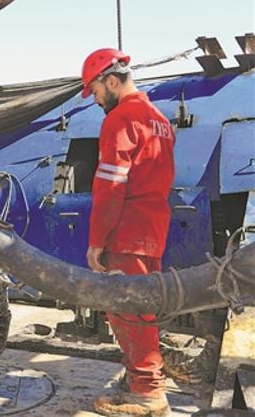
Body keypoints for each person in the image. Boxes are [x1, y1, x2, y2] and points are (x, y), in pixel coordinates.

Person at [81, 48, 174, 417]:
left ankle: (149, 394)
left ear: (111, 81)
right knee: (142, 311)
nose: (96, 100)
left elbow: (111, 186)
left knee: (128, 313)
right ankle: (139, 381)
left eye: (95, 91)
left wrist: (97, 242)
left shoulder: (121, 119)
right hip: (153, 229)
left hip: (126, 231)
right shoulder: (160, 120)